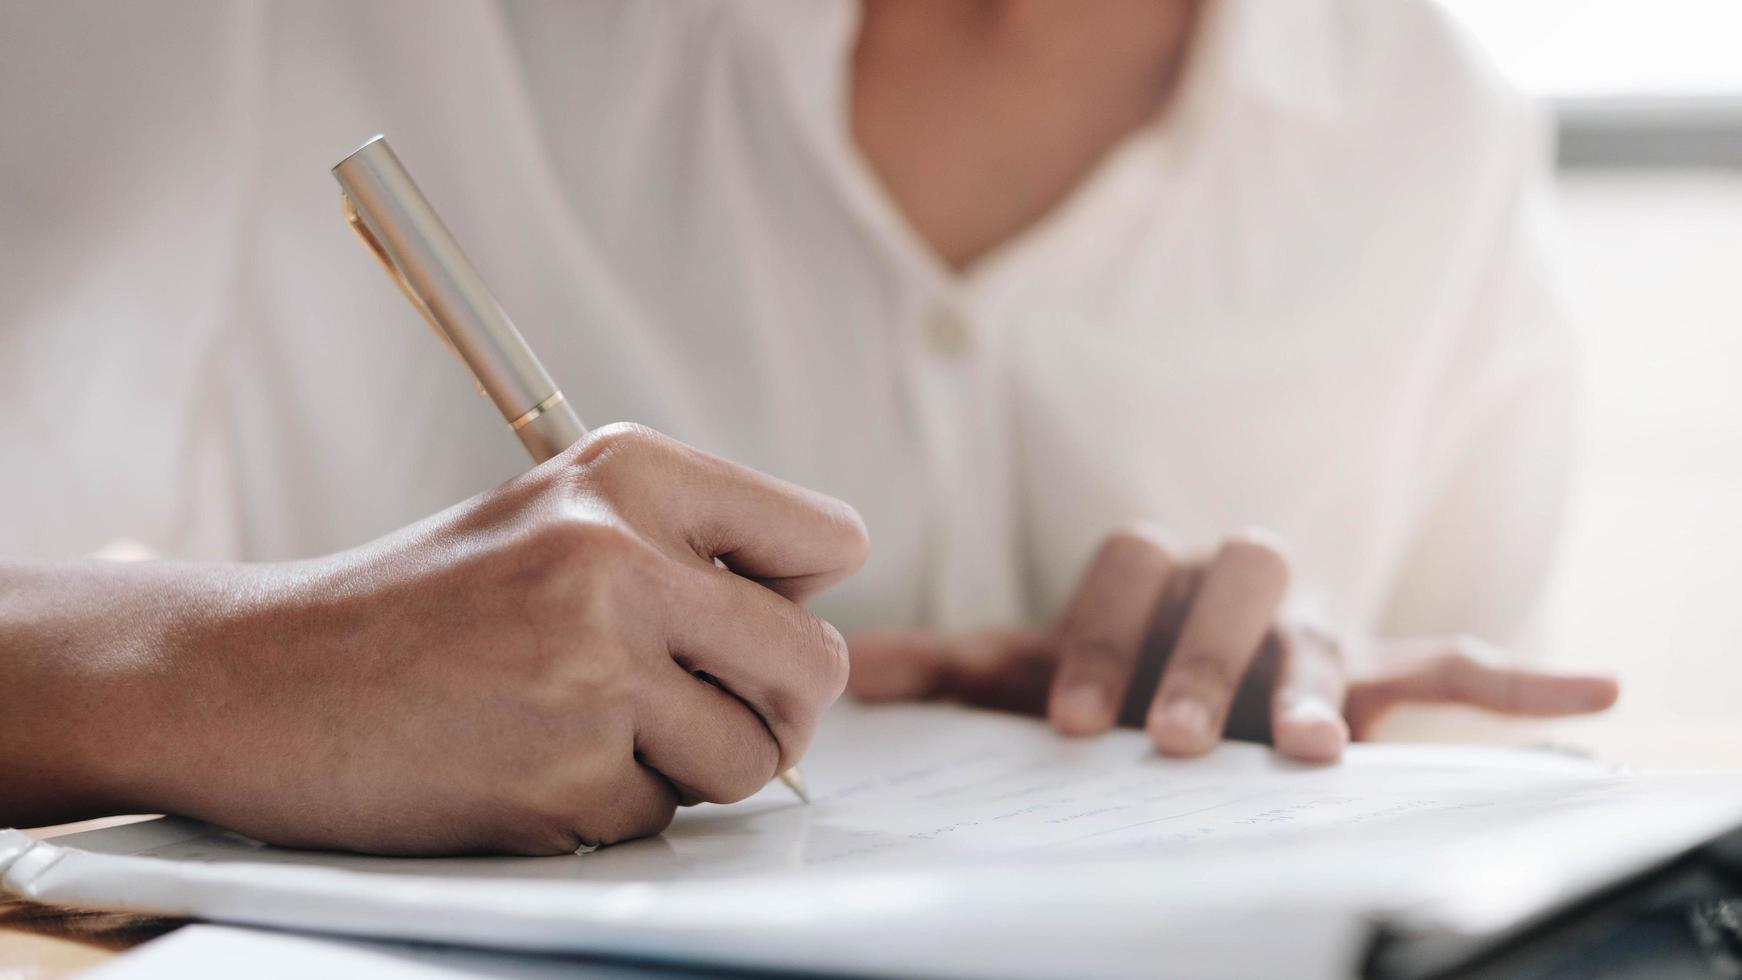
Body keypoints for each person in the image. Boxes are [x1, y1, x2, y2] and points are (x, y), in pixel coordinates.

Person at [0, 0, 1616, 855]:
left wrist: (1287, 760)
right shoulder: (282, 26)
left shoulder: (1430, 127)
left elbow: (1456, 773)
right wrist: (245, 666)